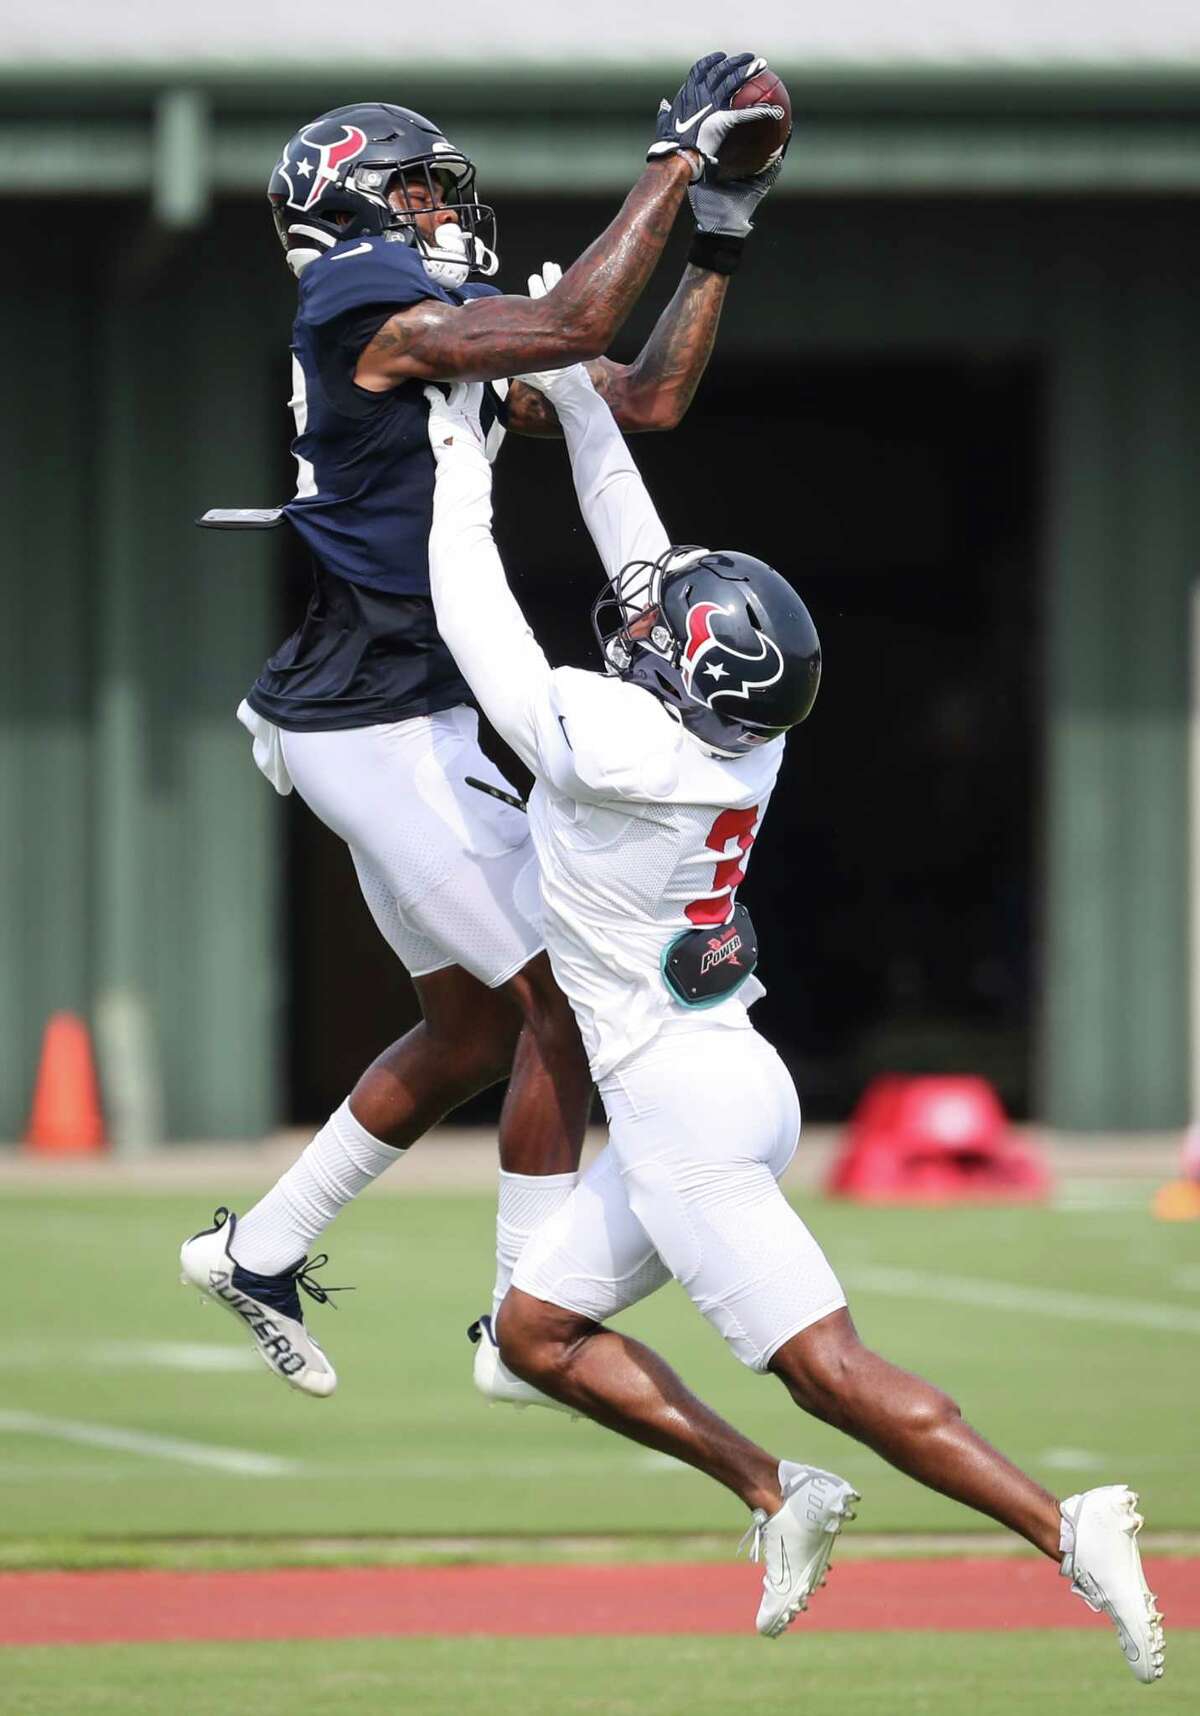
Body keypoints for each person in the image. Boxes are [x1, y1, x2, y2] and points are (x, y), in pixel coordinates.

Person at [417, 370, 1165, 1677]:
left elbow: (472, 614)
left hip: (683, 1113)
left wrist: (457, 451)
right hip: (727, 1075)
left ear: (684, 673)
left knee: (829, 1369)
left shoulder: (614, 742)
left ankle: (1066, 1526)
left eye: (665, 631)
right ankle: (778, 1493)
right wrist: (581, 411)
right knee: (534, 1336)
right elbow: (646, 564)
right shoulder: (741, 741)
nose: (642, 619)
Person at [180, 56, 788, 1398]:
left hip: (400, 709)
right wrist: (676, 159)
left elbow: (638, 396)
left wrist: (721, 232)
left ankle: (254, 1252)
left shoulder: (428, 313)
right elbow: (575, 320)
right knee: (559, 1000)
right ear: (347, 205)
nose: (442, 211)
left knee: (468, 1032)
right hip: (371, 721)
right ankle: (522, 1322)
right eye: (416, 191)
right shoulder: (357, 293)